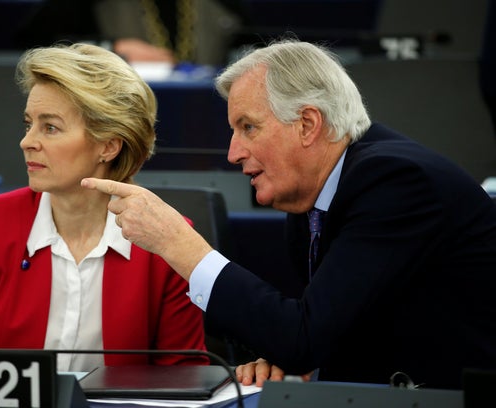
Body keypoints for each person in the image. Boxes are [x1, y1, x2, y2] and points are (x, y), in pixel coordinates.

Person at [81, 38, 496, 390]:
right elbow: (314, 335)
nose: (233, 153)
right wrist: (275, 355)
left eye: (248, 127)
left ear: (307, 125)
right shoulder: (312, 196)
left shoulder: (396, 182)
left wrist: (180, 245)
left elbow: (304, 338)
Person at [0, 42, 209, 371]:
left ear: (109, 145)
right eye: (28, 124)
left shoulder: (166, 237)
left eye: (50, 127)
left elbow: (185, 379)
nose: (27, 141)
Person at [15, 0, 246, 66]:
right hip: (118, 112)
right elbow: (35, 42)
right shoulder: (87, 6)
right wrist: (113, 48)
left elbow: (254, 42)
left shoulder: (225, 6)